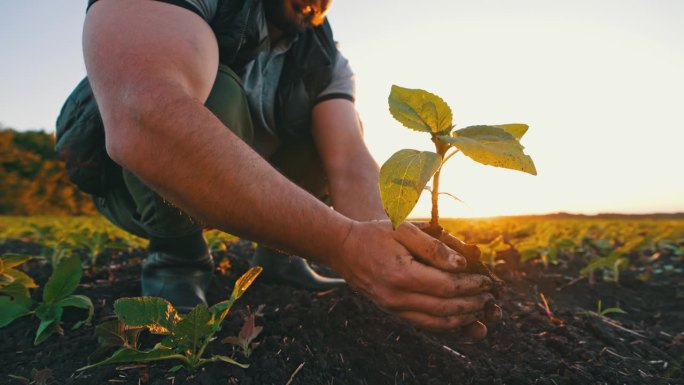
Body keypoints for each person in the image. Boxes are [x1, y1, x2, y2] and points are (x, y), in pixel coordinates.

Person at [59, 0, 501, 337]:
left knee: (335, 128)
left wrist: (393, 246)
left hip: (253, 191)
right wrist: (342, 243)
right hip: (134, 183)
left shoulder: (325, 58)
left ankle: (282, 259)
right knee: (218, 93)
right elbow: (146, 116)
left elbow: (347, 159)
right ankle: (176, 260)